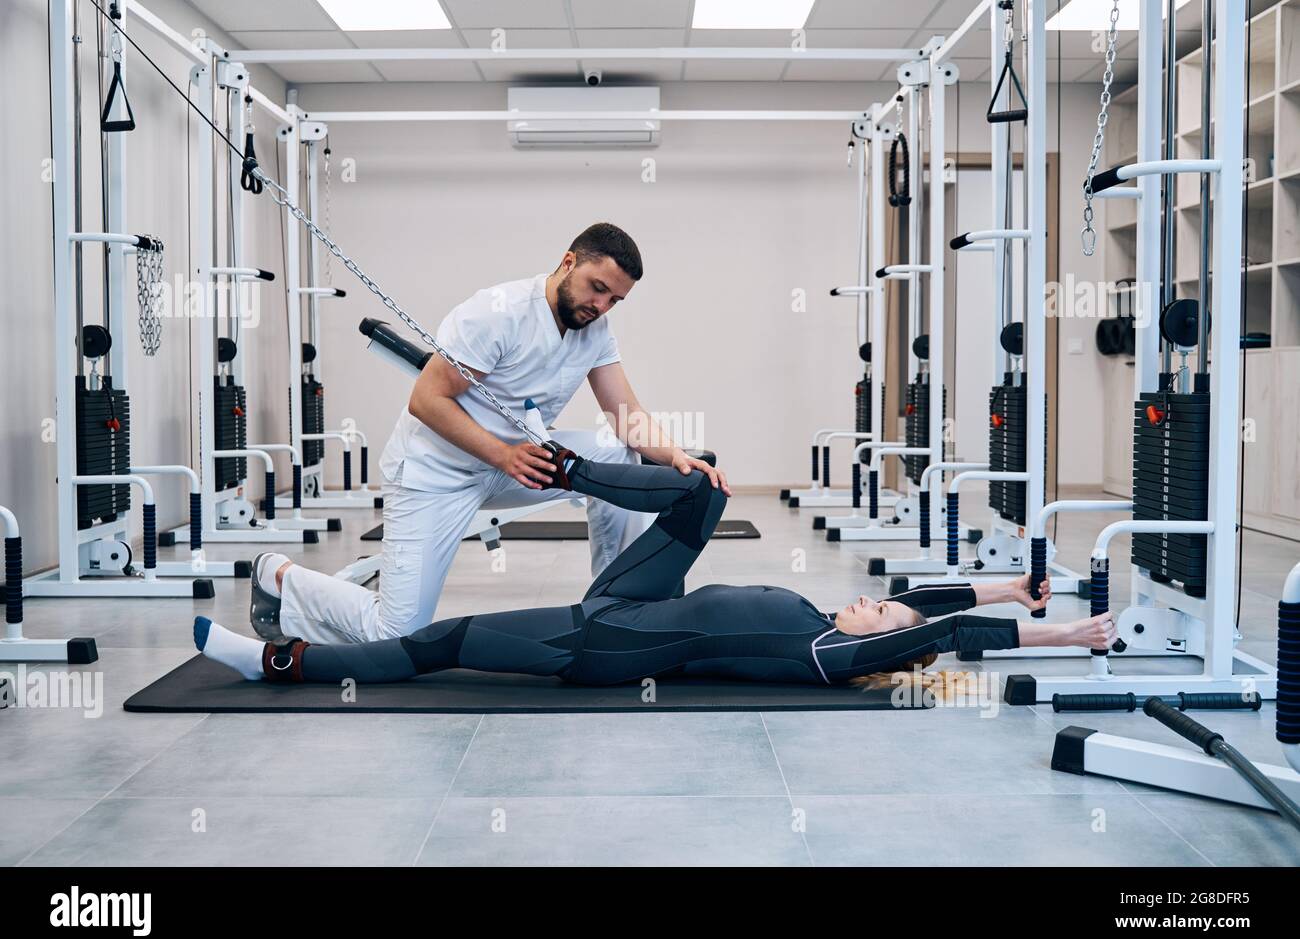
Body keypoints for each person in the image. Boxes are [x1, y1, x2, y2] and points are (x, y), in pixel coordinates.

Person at [201, 451, 1116, 687]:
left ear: (884, 650)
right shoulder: (830, 615)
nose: (876, 602)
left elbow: (941, 631)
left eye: (882, 616)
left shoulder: (824, 656)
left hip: (606, 641)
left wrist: (1063, 632)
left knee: (436, 643)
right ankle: (573, 470)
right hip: (638, 596)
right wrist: (1010, 584)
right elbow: (928, 601)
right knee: (704, 492)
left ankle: (279, 662)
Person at [255, 223, 729, 646]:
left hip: (512, 466)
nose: (600, 306)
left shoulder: (596, 332)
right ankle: (280, 578)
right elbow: (426, 401)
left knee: (617, 452)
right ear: (568, 262)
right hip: (435, 474)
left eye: (614, 301)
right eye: (597, 288)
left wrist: (676, 459)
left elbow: (626, 415)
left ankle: (616, 608)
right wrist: (503, 456)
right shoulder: (496, 312)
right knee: (396, 633)